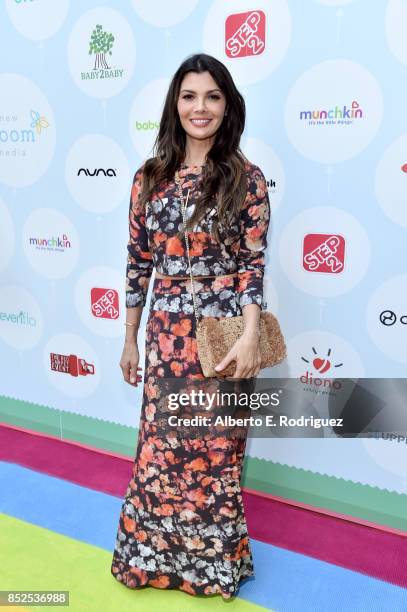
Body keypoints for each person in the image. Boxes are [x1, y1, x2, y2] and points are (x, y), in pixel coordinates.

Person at [110, 52, 271, 599]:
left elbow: (253, 263)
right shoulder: (149, 179)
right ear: (174, 105)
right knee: (160, 455)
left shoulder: (246, 180)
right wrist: (129, 338)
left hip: (226, 341)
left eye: (212, 96)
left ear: (227, 107)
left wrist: (251, 335)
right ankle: (156, 562)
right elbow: (138, 264)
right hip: (166, 338)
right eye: (189, 96)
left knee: (217, 456)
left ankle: (211, 568)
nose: (199, 108)